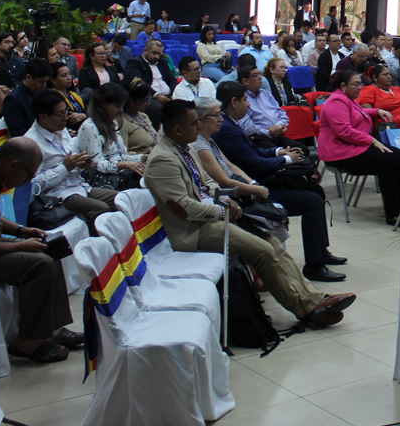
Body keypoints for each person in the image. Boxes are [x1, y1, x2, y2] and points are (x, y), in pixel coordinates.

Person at [147, 100, 354, 325]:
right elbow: (183, 207)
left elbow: (207, 183)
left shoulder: (186, 147)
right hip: (193, 230)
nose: (198, 125)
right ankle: (306, 309)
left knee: (272, 243)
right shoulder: (163, 159)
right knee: (262, 251)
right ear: (177, 129)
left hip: (211, 216)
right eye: (194, 122)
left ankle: (313, 298)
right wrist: (220, 211)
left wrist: (226, 201)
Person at [0, 138, 83, 363]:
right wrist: (20, 245)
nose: (28, 182)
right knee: (39, 263)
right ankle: (28, 342)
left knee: (50, 250)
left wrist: (22, 231)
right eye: (29, 175)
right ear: (13, 165)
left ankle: (51, 328)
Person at [208, 87, 344, 282]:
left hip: (258, 178)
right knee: (311, 200)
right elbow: (255, 164)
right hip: (255, 189)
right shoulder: (227, 130)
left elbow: (254, 151)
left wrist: (278, 152)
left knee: (316, 190)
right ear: (234, 102)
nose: (248, 104)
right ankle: (314, 266)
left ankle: (321, 252)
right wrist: (287, 160)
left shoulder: (231, 124)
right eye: (245, 99)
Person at [318, 70, 400, 225]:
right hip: (340, 152)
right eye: (355, 84)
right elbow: (344, 131)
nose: (359, 87)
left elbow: (360, 112)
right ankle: (393, 213)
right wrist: (372, 141)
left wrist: (376, 111)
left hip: (355, 146)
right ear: (343, 86)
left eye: (360, 83)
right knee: (387, 161)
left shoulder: (348, 99)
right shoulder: (336, 102)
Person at [25, 90, 118, 234]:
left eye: (66, 111)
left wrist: (81, 164)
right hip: (57, 194)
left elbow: (71, 158)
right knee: (100, 208)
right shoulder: (32, 144)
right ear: (43, 117)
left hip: (79, 185)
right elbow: (33, 186)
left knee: (122, 199)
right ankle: (95, 249)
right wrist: (64, 168)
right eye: (60, 114)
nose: (66, 117)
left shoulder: (60, 130)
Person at [77, 83, 146, 190]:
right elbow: (95, 165)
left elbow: (121, 156)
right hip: (103, 181)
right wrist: (123, 165)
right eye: (117, 106)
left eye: (122, 106)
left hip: (120, 175)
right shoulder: (89, 127)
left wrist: (143, 158)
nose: (121, 110)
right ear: (103, 104)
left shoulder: (112, 122)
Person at [125, 39, 177, 127]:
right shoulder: (135, 62)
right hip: (149, 96)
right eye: (154, 53)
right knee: (156, 108)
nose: (157, 56)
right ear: (145, 51)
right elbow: (139, 82)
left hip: (168, 95)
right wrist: (156, 95)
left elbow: (172, 79)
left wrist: (174, 92)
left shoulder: (162, 62)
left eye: (159, 54)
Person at [0, 58, 49, 138]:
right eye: (41, 82)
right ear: (28, 77)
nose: (44, 85)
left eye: (46, 81)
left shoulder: (43, 93)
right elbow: (18, 133)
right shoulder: (13, 100)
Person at [118, 79, 159, 157]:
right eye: (144, 101)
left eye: (149, 99)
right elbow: (122, 154)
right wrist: (140, 155)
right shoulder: (122, 122)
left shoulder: (143, 116)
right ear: (131, 101)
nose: (148, 104)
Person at [48, 62, 87, 131]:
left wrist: (84, 116)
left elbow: (88, 111)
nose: (69, 78)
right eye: (64, 75)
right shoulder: (52, 98)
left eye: (69, 74)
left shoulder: (72, 94)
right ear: (53, 80)